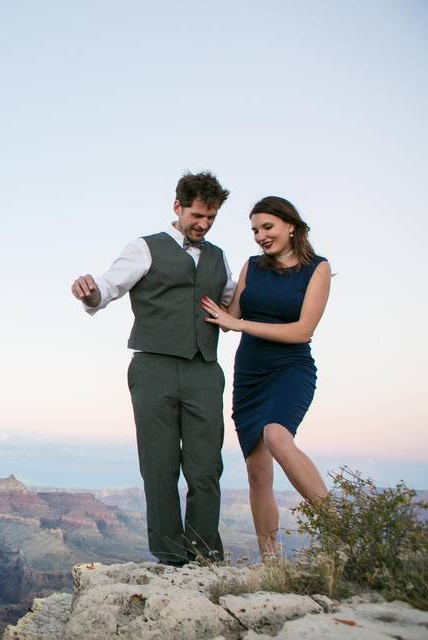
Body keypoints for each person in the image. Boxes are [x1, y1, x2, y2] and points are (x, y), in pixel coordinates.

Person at [71, 171, 234, 566]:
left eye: (210, 218)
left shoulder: (219, 257)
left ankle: (205, 554)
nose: (203, 224)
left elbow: (233, 303)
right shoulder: (144, 248)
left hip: (204, 370)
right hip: (153, 368)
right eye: (197, 215)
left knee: (206, 466)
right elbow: (107, 288)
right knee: (159, 466)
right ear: (177, 207)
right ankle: (169, 555)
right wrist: (91, 292)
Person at [200, 196, 331, 560]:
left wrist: (238, 324)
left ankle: (339, 527)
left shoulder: (317, 269)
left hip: (290, 368)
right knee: (257, 474)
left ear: (291, 225)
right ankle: (271, 563)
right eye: (255, 230)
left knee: (276, 434)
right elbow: (230, 315)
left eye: (267, 227)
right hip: (250, 375)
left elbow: (303, 331)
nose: (260, 236)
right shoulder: (252, 267)